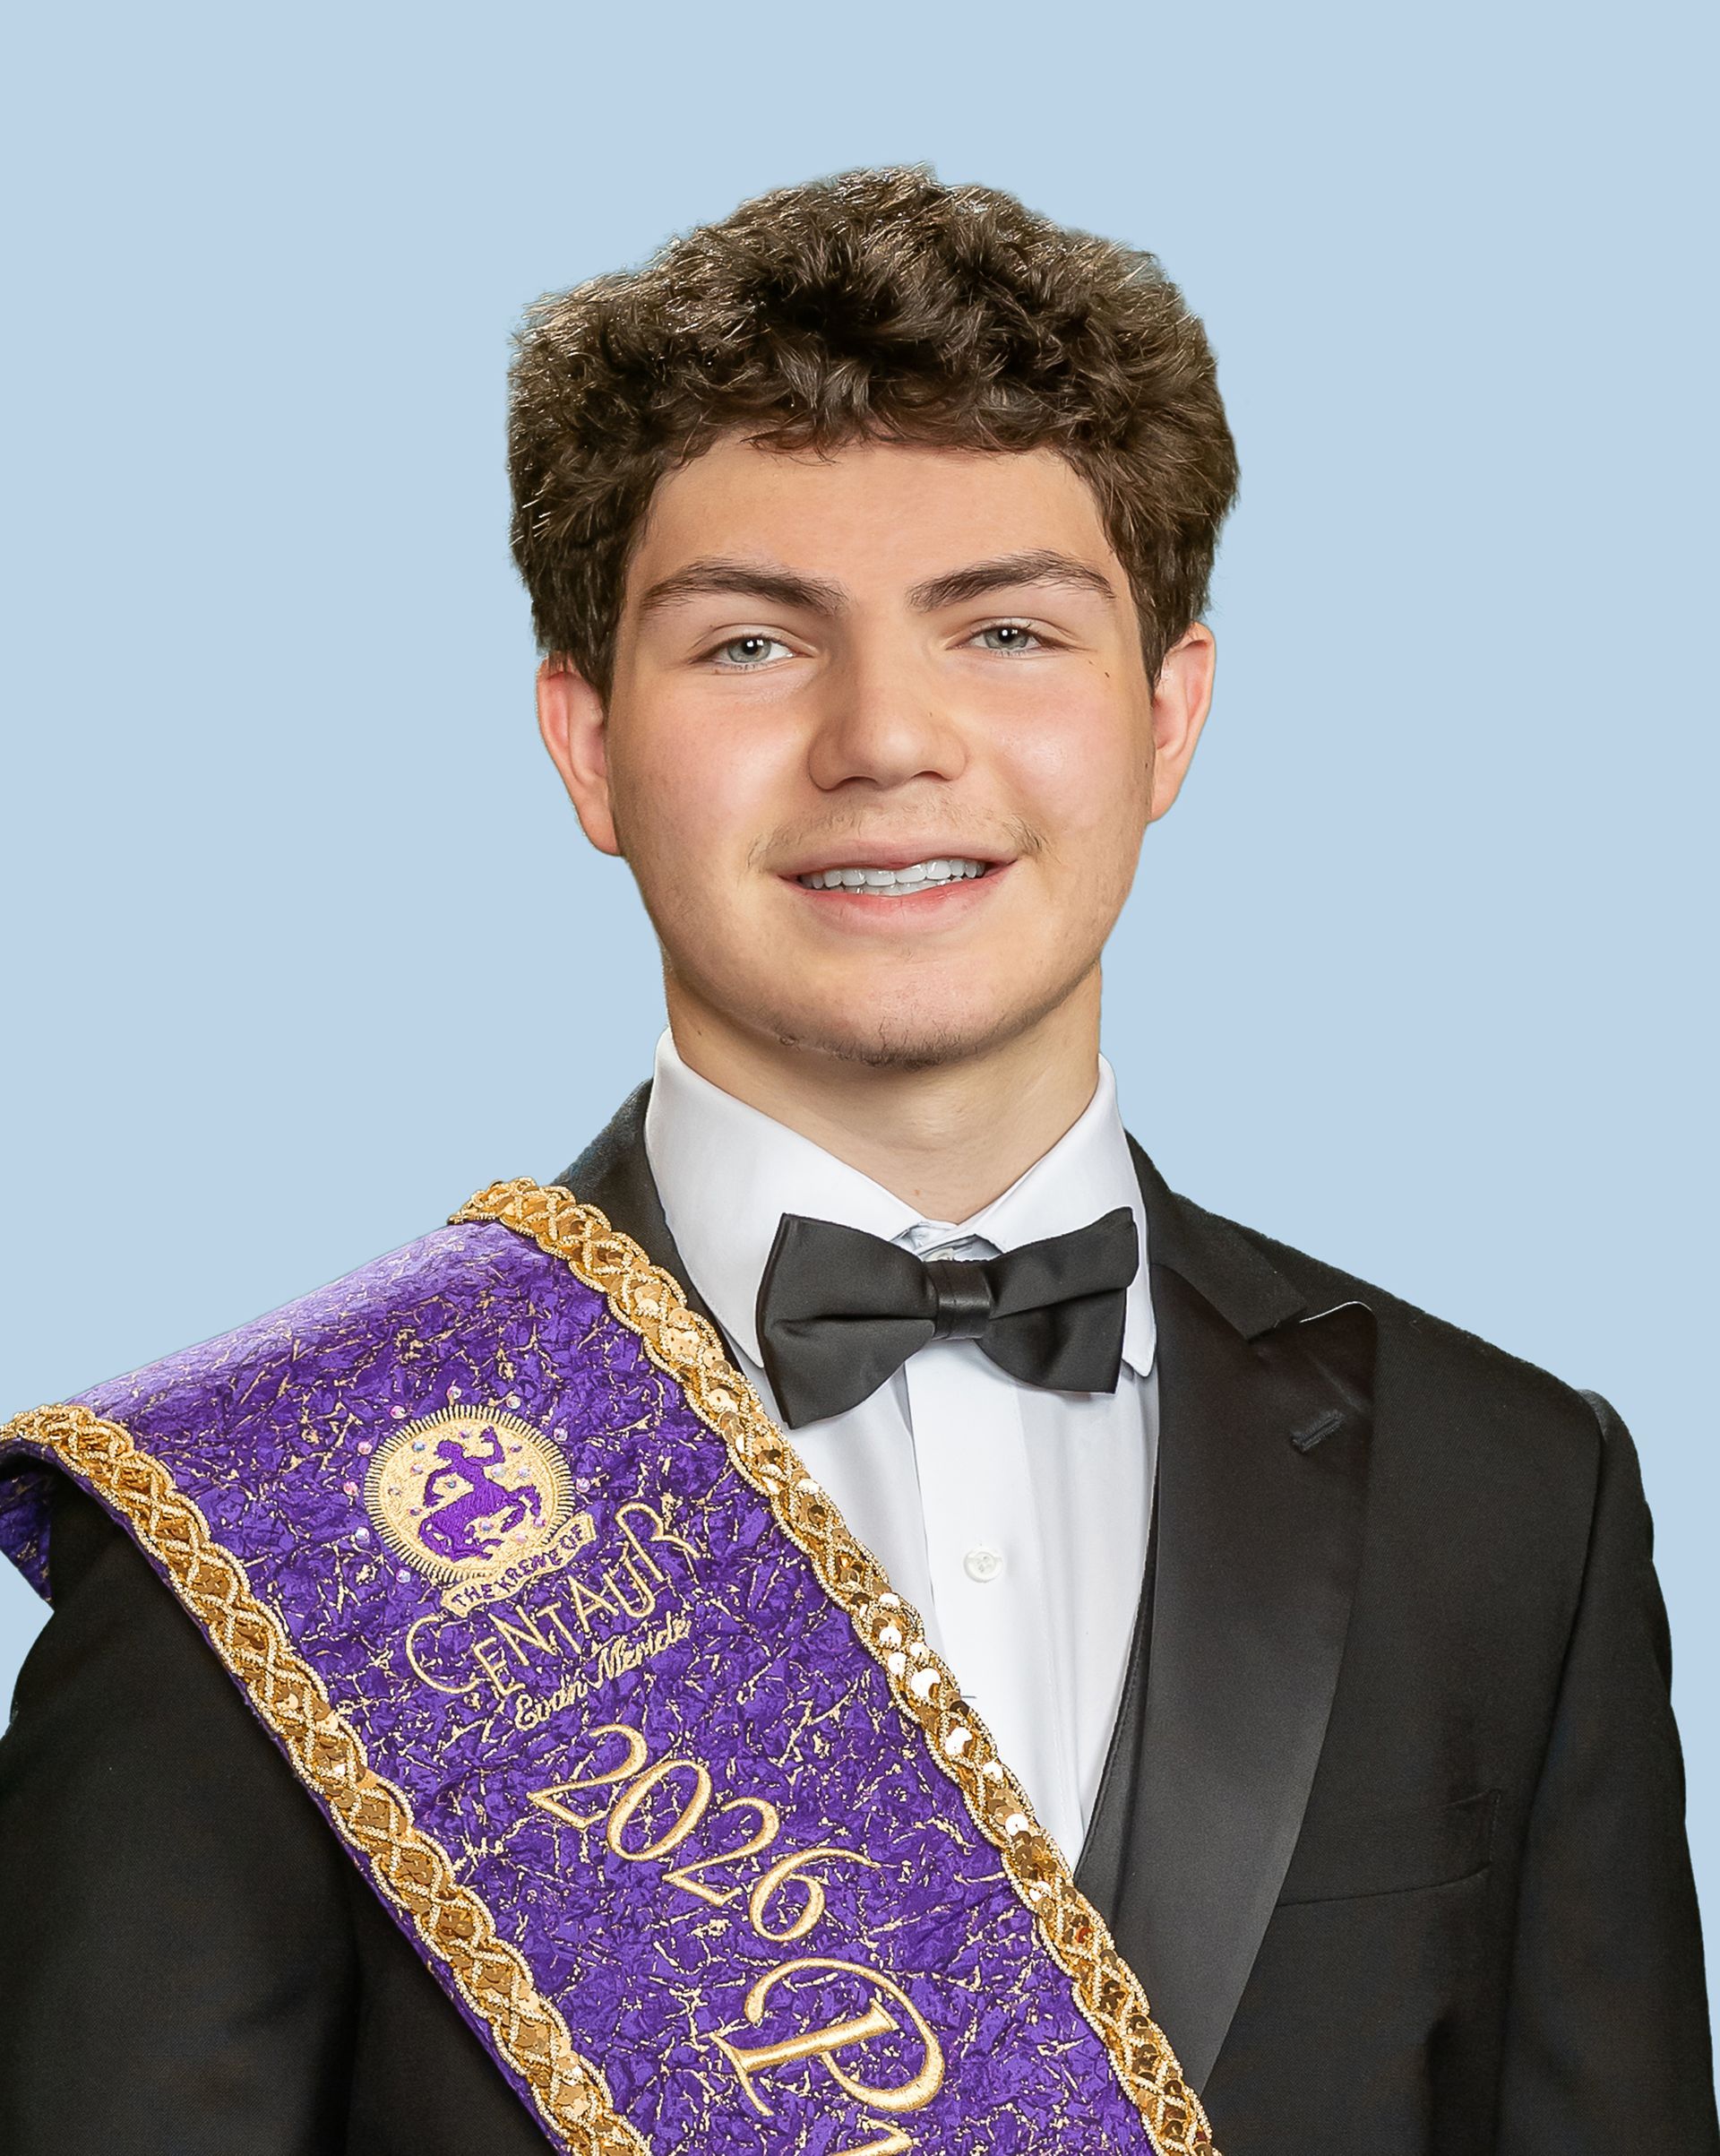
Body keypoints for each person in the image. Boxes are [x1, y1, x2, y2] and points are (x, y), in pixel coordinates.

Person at [0, 166, 1713, 2156]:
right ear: (585, 740)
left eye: (1003, 628)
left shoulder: (1510, 1497)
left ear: (1169, 715)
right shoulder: (262, 1530)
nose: (886, 737)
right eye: (749, 646)